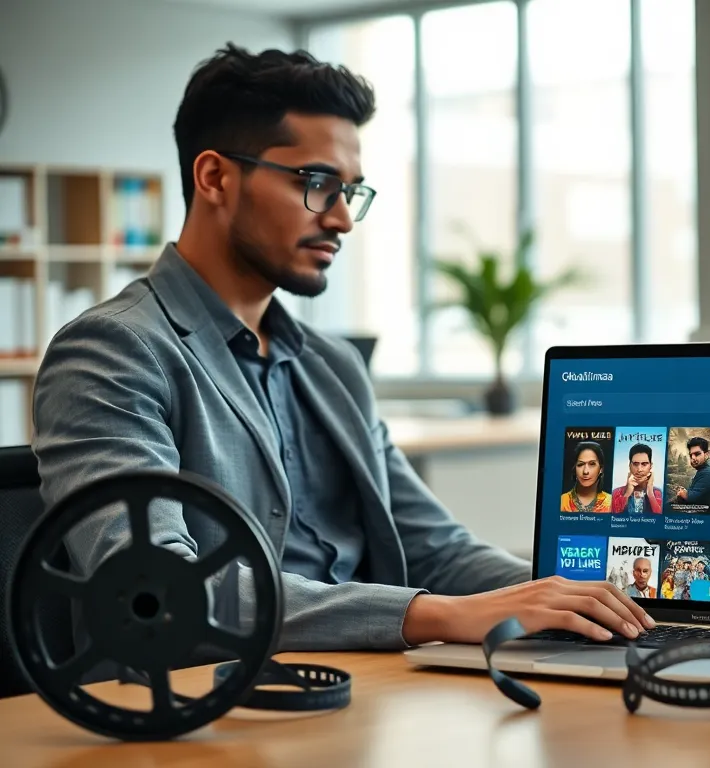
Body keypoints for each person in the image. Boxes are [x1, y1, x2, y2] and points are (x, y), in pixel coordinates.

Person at [29, 43, 654, 652]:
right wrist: (435, 614)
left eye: (350, 191)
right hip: (206, 710)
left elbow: (438, 549)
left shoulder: (334, 364)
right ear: (215, 176)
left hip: (363, 694)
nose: (342, 219)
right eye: (318, 182)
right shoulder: (112, 350)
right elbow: (159, 590)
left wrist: (606, 603)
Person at [559, 441, 612, 512]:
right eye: (580, 464)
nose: (585, 471)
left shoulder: (611, 503)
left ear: (601, 469)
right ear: (575, 468)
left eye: (592, 464)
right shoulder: (562, 501)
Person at [610, 442, 661, 513]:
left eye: (644, 464)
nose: (639, 469)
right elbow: (612, 518)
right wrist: (627, 492)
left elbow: (661, 520)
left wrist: (650, 493)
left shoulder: (658, 493)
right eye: (635, 464)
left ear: (651, 466)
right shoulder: (616, 492)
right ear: (630, 465)